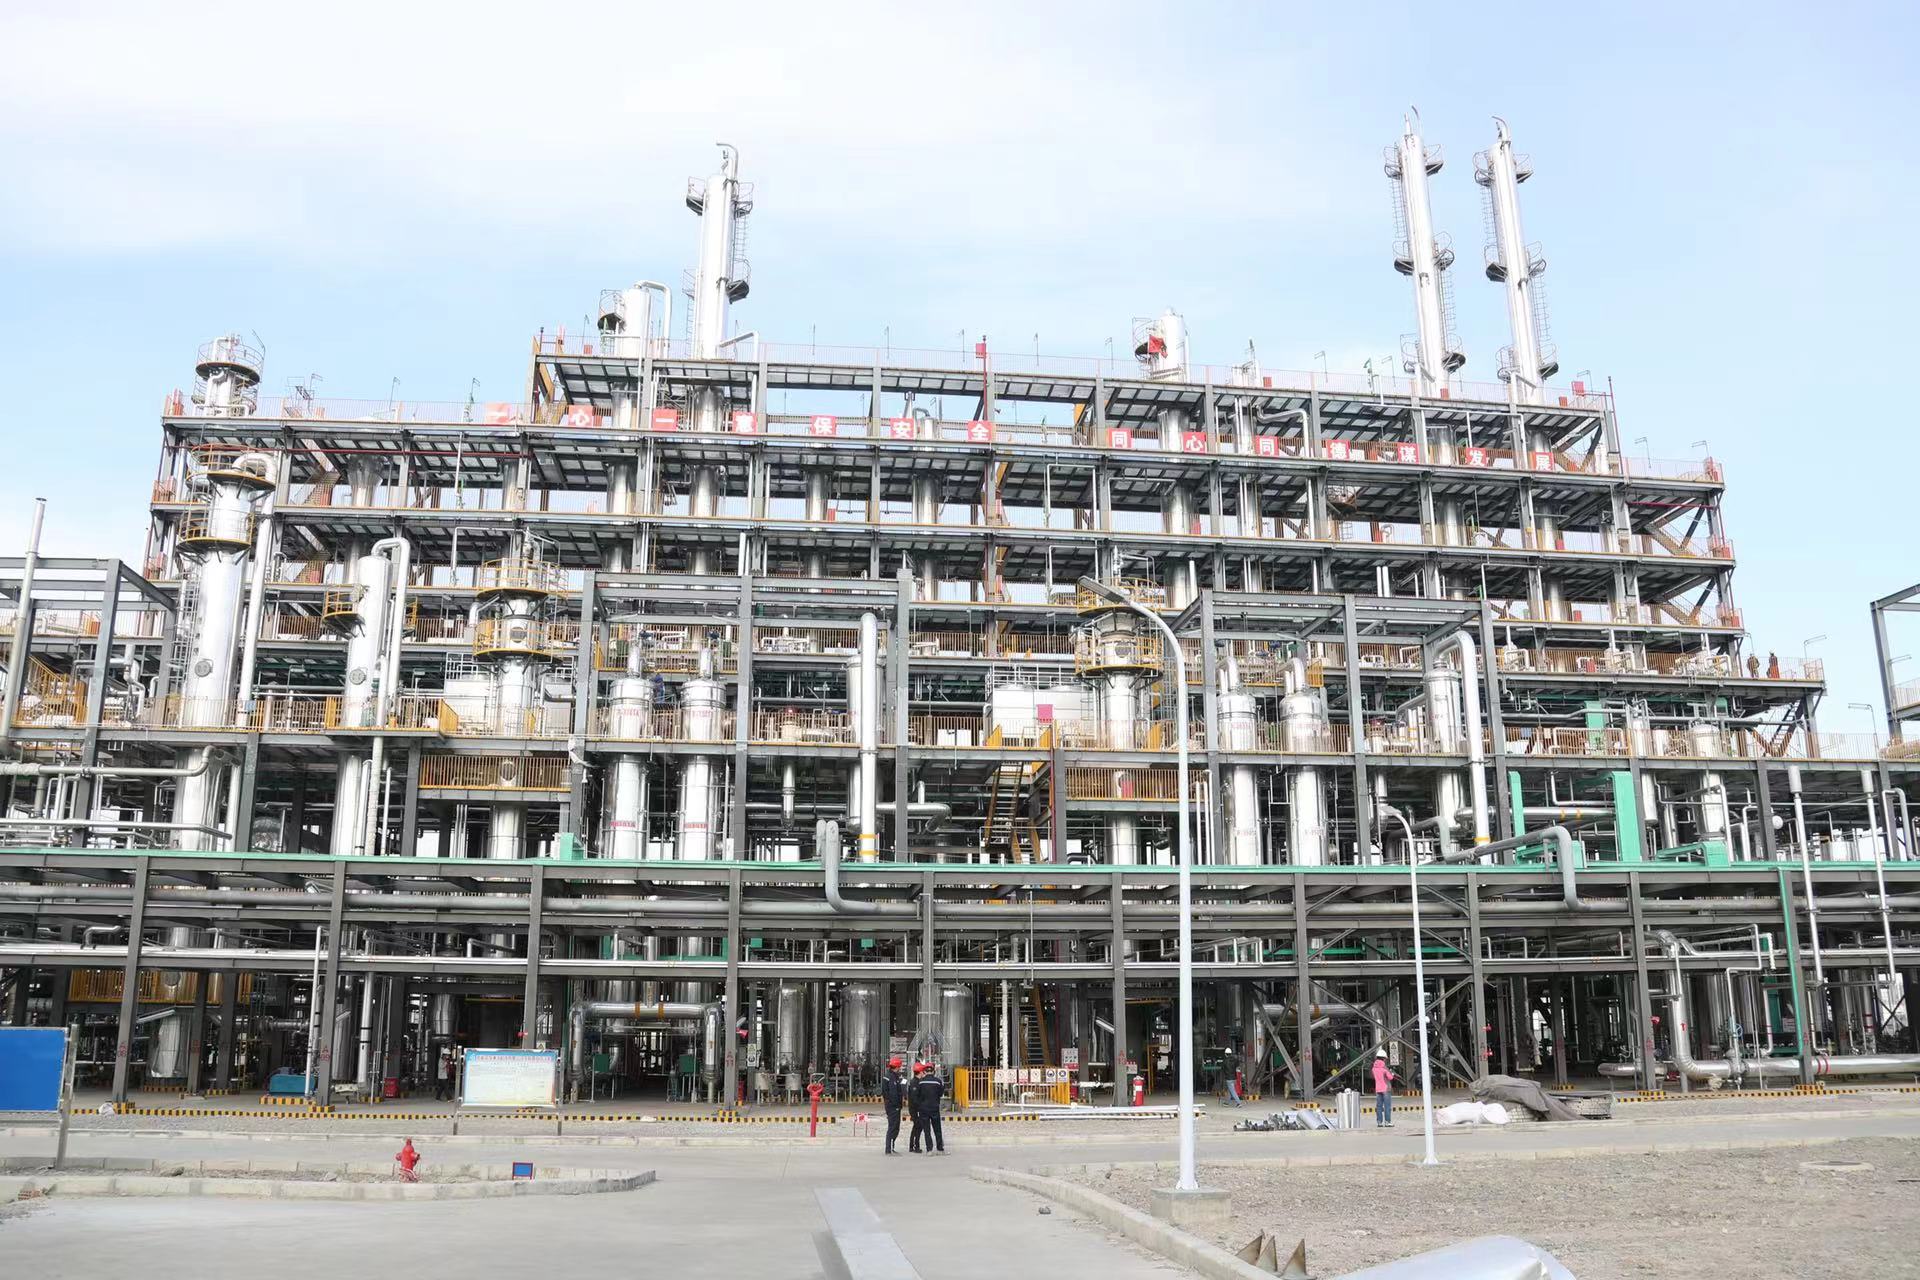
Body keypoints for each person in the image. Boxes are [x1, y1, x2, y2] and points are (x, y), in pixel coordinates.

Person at [912, 1065, 946, 1154]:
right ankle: (940, 1149)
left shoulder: (920, 1082)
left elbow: (916, 1096)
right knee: (937, 1129)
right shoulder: (938, 1081)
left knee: (927, 1130)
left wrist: (920, 1106)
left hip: (924, 1109)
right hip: (934, 1108)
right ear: (933, 1071)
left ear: (925, 1072)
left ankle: (929, 1150)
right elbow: (940, 1093)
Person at [880, 1057, 907, 1156]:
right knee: (893, 1127)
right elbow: (893, 1093)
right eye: (899, 1067)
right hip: (893, 1106)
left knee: (895, 1127)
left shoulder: (892, 1076)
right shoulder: (891, 1077)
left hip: (892, 1105)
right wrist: (897, 1105)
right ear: (896, 1067)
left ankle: (891, 1147)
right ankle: (888, 1149)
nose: (900, 1069)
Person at [1370, 1049, 1397, 1128]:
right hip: (1386, 1089)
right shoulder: (1384, 1068)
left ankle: (1379, 1122)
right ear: (1383, 1058)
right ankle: (1387, 1122)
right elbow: (1390, 1077)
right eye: (1385, 1058)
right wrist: (1392, 1073)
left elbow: (1374, 1077)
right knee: (1387, 1106)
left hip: (1378, 1089)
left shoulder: (1374, 1068)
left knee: (1379, 1106)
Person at [906, 1063, 927, 1153]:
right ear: (920, 1072)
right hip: (915, 1109)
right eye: (923, 1071)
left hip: (916, 1108)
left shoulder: (917, 1081)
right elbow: (915, 1099)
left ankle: (912, 1146)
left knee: (916, 1126)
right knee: (918, 1126)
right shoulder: (915, 1082)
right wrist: (920, 1107)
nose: (924, 1073)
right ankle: (915, 1146)